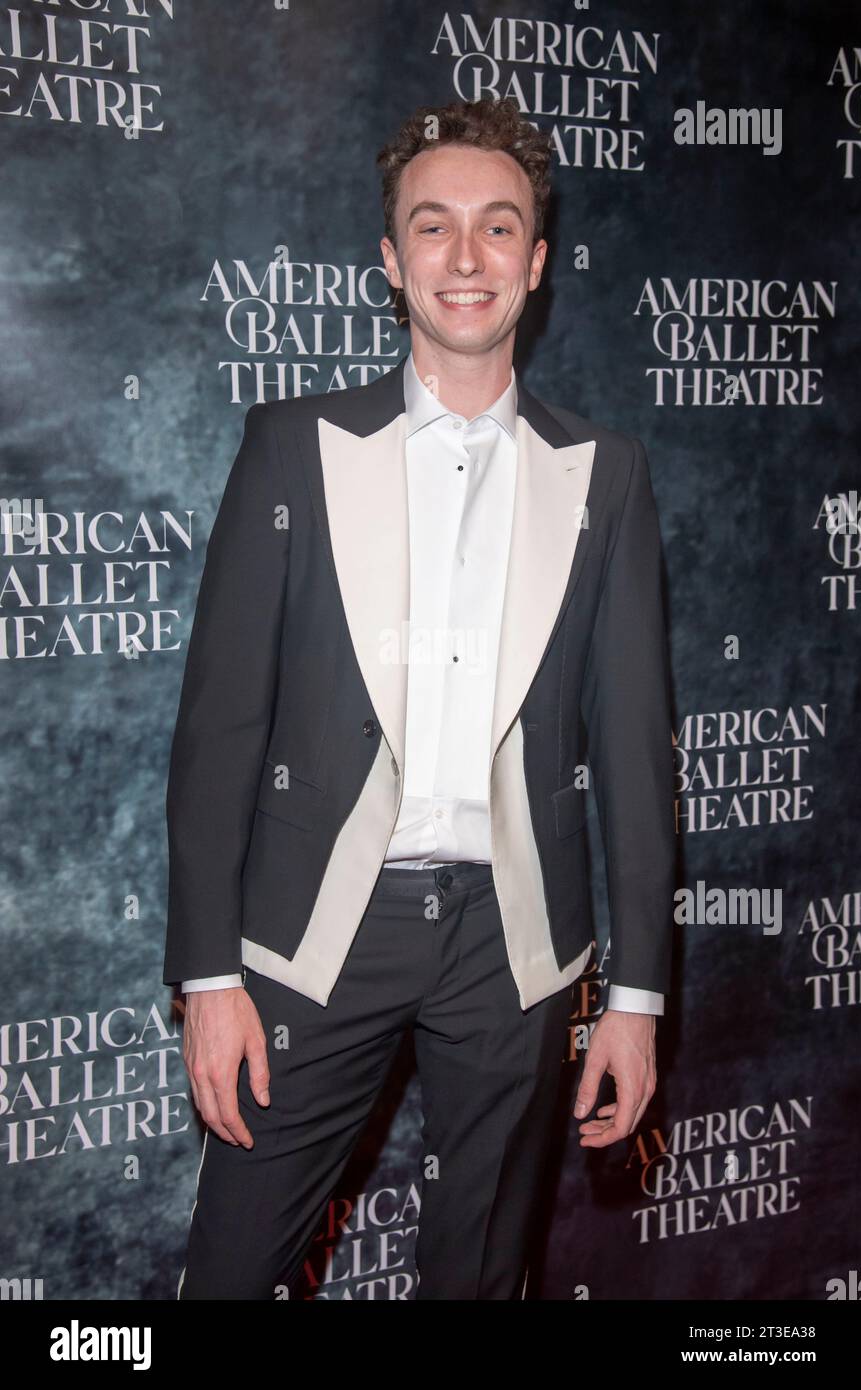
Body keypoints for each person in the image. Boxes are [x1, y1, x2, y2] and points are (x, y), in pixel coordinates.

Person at [164, 96, 675, 1300]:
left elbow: (635, 754)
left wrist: (637, 997)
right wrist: (206, 975)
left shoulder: (602, 475)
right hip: (315, 934)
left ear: (536, 265)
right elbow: (219, 730)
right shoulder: (294, 448)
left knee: (481, 1278)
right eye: (432, 227)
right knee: (230, 1274)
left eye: (497, 229)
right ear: (391, 262)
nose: (465, 256)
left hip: (515, 944)